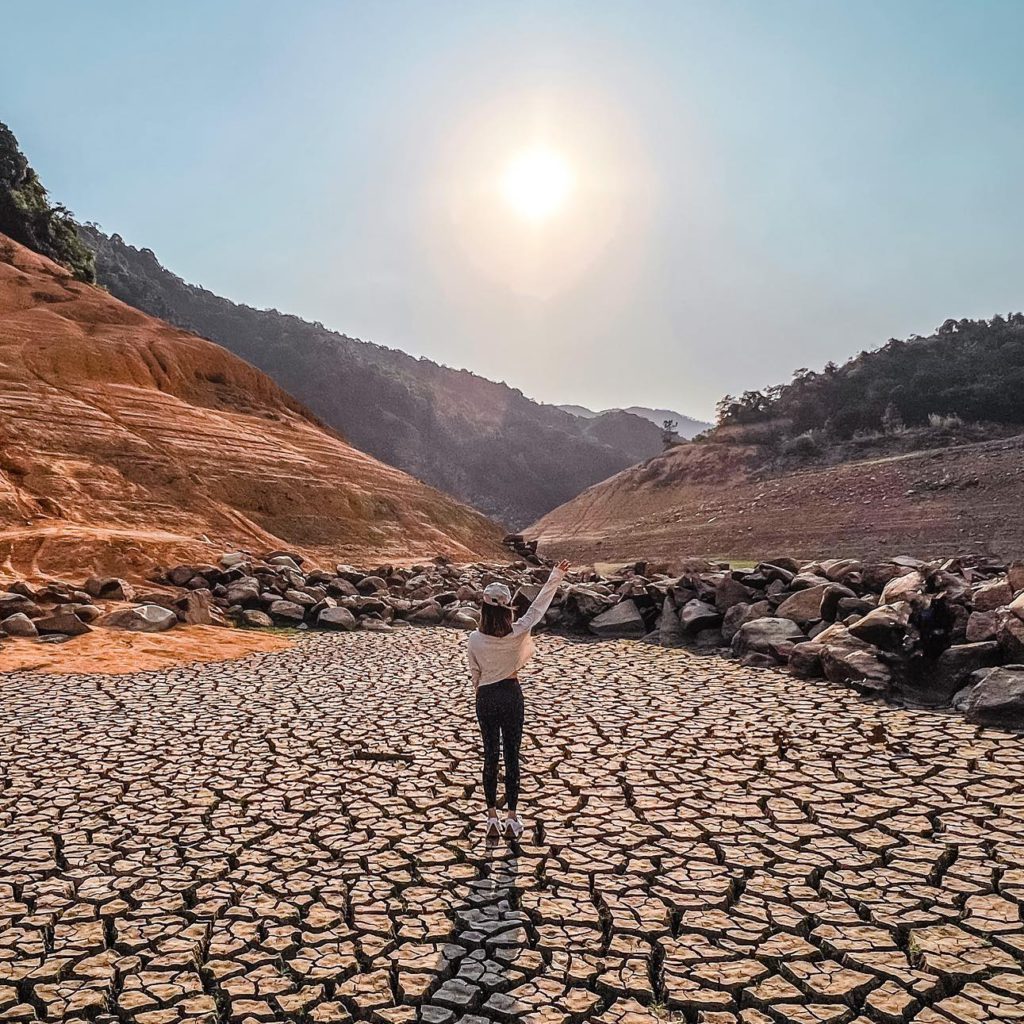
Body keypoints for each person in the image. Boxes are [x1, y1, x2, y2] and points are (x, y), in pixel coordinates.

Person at [468, 559, 570, 839]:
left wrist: (483, 691)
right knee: (512, 756)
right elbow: (538, 607)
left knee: (491, 756)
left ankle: (491, 818)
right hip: (511, 693)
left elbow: (475, 674)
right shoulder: (517, 631)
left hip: (486, 696)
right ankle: (512, 818)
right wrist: (556, 576)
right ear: (506, 607)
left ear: (484, 607)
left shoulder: (474, 639)